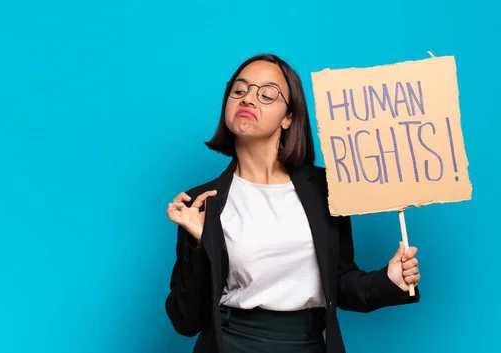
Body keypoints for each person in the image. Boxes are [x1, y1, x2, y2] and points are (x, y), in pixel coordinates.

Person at [164, 53, 421, 353]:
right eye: (239, 90)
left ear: (289, 117)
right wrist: (196, 244)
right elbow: (185, 321)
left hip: (308, 343)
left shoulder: (326, 189)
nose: (248, 99)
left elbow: (338, 282)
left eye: (267, 94)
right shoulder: (201, 203)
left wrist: (388, 280)